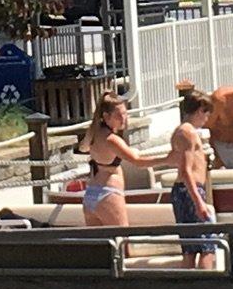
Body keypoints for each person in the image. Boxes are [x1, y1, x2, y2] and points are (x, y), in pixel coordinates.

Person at [72, 91, 169, 228]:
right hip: (108, 194)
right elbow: (137, 161)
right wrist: (168, 159)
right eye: (119, 115)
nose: (124, 119)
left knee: (100, 247)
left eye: (125, 114)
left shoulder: (93, 131)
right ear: (106, 116)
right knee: (123, 243)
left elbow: (83, 148)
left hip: (91, 195)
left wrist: (97, 154)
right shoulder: (112, 140)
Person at [168, 91, 220, 268]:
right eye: (206, 113)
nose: (207, 118)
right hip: (190, 190)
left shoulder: (181, 131)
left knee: (190, 247)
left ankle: (190, 288)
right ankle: (208, 287)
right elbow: (186, 170)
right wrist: (199, 202)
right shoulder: (188, 133)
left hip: (184, 191)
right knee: (208, 245)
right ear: (199, 110)